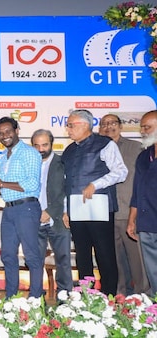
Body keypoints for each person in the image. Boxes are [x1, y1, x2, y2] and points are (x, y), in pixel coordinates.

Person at [62, 109, 127, 296]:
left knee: (104, 254)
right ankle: (86, 297)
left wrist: (95, 184)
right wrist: (67, 210)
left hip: (99, 207)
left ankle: (109, 297)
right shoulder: (69, 150)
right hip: (76, 208)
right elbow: (68, 182)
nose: (68, 129)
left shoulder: (105, 144)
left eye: (71, 125)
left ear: (85, 124)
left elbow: (120, 172)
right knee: (82, 255)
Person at [0, 117, 43, 298]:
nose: (4, 136)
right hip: (9, 210)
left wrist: (1, 183)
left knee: (31, 256)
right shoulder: (3, 156)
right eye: (1, 133)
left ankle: (35, 299)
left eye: (8, 131)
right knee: (7, 255)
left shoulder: (29, 153)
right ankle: (11, 298)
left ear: (17, 130)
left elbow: (32, 184)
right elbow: (10, 188)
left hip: (27, 209)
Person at [99, 114, 149, 295]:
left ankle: (142, 299)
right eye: (104, 124)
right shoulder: (96, 150)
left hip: (131, 214)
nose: (108, 127)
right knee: (115, 262)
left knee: (138, 263)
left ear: (121, 127)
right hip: (105, 215)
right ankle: (121, 299)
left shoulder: (136, 148)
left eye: (112, 123)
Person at [31, 129, 72, 296]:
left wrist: (55, 211)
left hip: (58, 219)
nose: (41, 149)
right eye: (36, 145)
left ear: (51, 144)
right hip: (33, 221)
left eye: (44, 144)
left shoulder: (63, 163)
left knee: (63, 261)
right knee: (34, 262)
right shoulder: (29, 164)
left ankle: (64, 299)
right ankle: (36, 298)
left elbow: (68, 190)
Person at [127, 110, 157, 296]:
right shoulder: (143, 157)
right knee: (152, 269)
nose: (143, 131)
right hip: (146, 222)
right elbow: (136, 191)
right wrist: (132, 220)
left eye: (147, 127)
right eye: (142, 127)